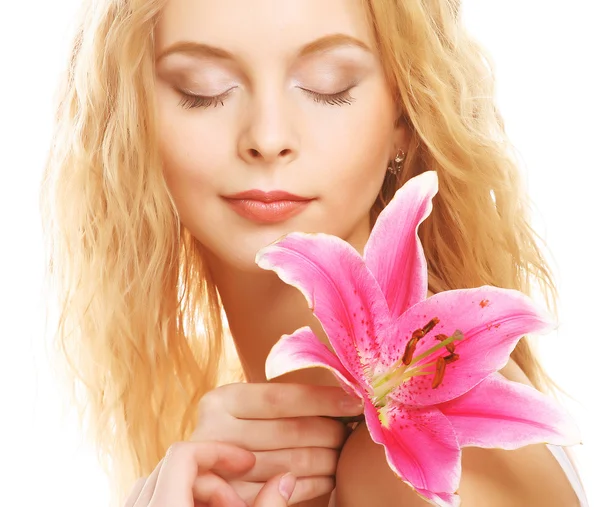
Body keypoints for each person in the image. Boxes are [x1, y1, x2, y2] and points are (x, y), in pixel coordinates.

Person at [40, 0, 588, 506]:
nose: (268, 136)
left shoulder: (403, 473)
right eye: (201, 88)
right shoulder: (244, 456)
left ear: (404, 116)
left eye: (330, 86)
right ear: (134, 124)